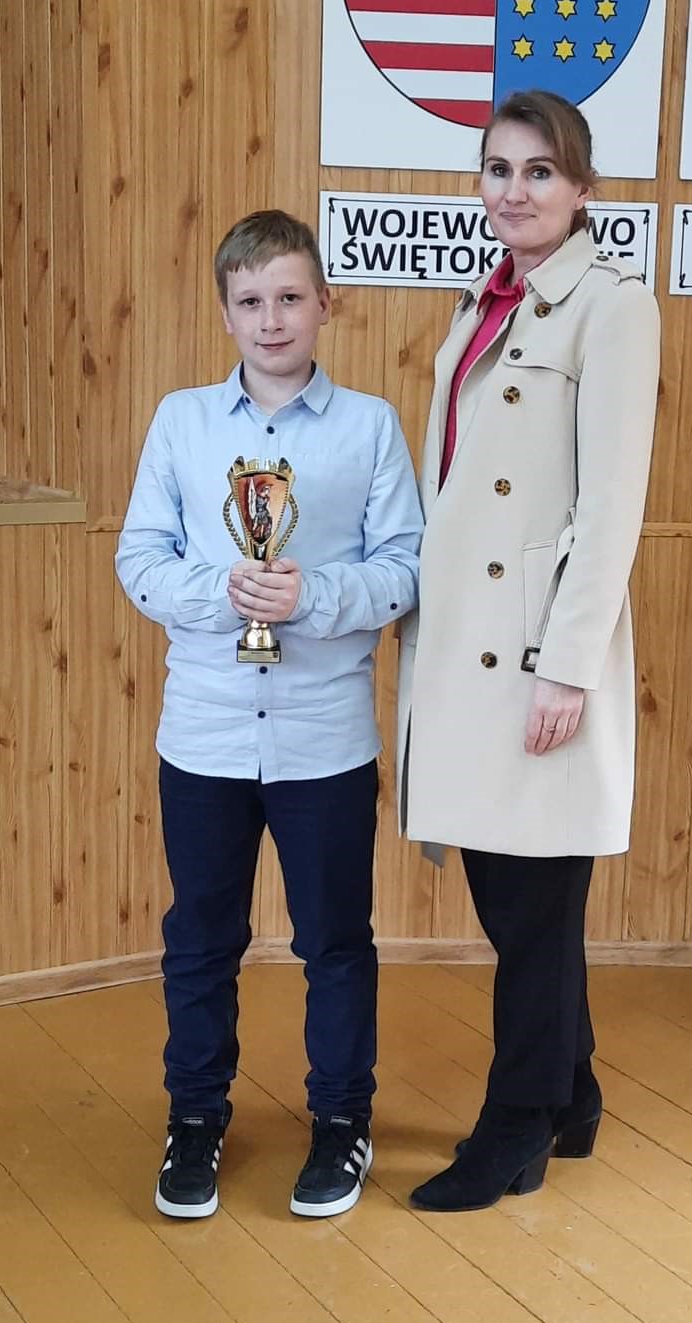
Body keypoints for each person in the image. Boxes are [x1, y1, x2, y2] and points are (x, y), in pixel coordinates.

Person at [116, 210, 422, 1221]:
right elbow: (139, 557)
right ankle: (195, 1116)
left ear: (325, 303)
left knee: (334, 940)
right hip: (203, 733)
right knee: (201, 938)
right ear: (225, 313)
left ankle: (340, 1119)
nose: (272, 318)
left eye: (290, 296)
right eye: (250, 301)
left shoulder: (369, 425)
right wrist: (225, 593)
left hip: (323, 737)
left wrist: (313, 597)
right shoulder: (182, 422)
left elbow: (405, 566)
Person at [397, 90, 660, 1213]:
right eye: (499, 170)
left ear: (582, 188)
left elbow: (610, 507)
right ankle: (573, 1093)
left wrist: (569, 665)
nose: (515, 191)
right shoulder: (483, 302)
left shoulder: (614, 306)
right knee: (520, 900)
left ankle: (516, 1126)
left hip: (534, 656)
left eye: (540, 171)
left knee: (533, 907)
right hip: (467, 647)